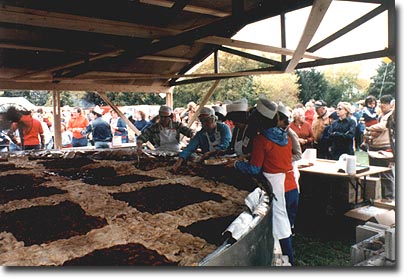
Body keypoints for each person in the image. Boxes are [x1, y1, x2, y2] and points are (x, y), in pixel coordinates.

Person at [233, 99, 297, 265]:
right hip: (292, 185)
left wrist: (237, 164)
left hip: (278, 188)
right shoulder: (285, 136)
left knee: (281, 229)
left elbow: (254, 169)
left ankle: (287, 262)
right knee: (286, 225)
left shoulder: (262, 140)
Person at [172, 107, 231, 172]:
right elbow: (190, 148)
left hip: (225, 158)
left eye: (207, 121)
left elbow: (225, 144)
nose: (204, 124)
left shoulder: (224, 128)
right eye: (202, 121)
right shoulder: (201, 134)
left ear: (214, 119)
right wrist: (179, 161)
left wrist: (210, 153)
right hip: (209, 161)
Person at [365, 94, 395, 200]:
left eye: (385, 103)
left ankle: (388, 197)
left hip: (384, 147)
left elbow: (382, 126)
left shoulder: (391, 115)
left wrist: (369, 128)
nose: (382, 105)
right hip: (375, 146)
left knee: (386, 174)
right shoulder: (381, 115)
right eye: (381, 102)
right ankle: (374, 196)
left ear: (392, 105)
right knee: (373, 172)